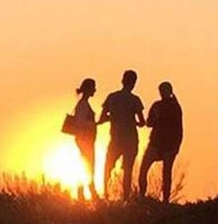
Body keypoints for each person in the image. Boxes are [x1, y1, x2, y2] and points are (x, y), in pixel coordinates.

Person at [98, 70, 145, 201]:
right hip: (130, 139)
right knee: (128, 170)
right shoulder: (135, 100)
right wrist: (131, 120)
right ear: (134, 83)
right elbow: (142, 122)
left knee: (108, 166)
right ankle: (126, 199)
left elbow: (102, 118)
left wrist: (113, 117)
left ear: (122, 80)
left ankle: (105, 195)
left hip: (115, 138)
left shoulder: (111, 97)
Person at [138, 81, 183, 202]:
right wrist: (155, 119)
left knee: (166, 173)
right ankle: (141, 196)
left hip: (168, 145)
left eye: (164, 91)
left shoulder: (175, 107)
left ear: (169, 91)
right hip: (156, 143)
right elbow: (149, 122)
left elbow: (179, 127)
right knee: (143, 170)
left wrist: (176, 145)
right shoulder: (157, 105)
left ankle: (165, 201)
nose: (162, 93)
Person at [71, 78, 100, 201]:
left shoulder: (83, 104)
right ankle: (87, 194)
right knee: (88, 166)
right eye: (93, 87)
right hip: (84, 141)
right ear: (89, 89)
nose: (95, 90)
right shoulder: (83, 105)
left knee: (87, 166)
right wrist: (95, 124)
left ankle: (84, 193)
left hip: (85, 140)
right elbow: (81, 123)